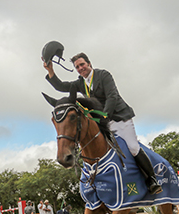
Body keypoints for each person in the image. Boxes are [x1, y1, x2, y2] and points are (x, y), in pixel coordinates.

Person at [42, 48, 162, 195]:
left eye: (82, 64)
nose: (81, 68)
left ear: (89, 64)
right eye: (77, 67)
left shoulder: (103, 75)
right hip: (101, 121)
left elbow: (112, 96)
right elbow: (61, 86)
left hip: (118, 117)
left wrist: (105, 116)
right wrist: (50, 71)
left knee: (132, 147)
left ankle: (152, 179)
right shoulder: (80, 83)